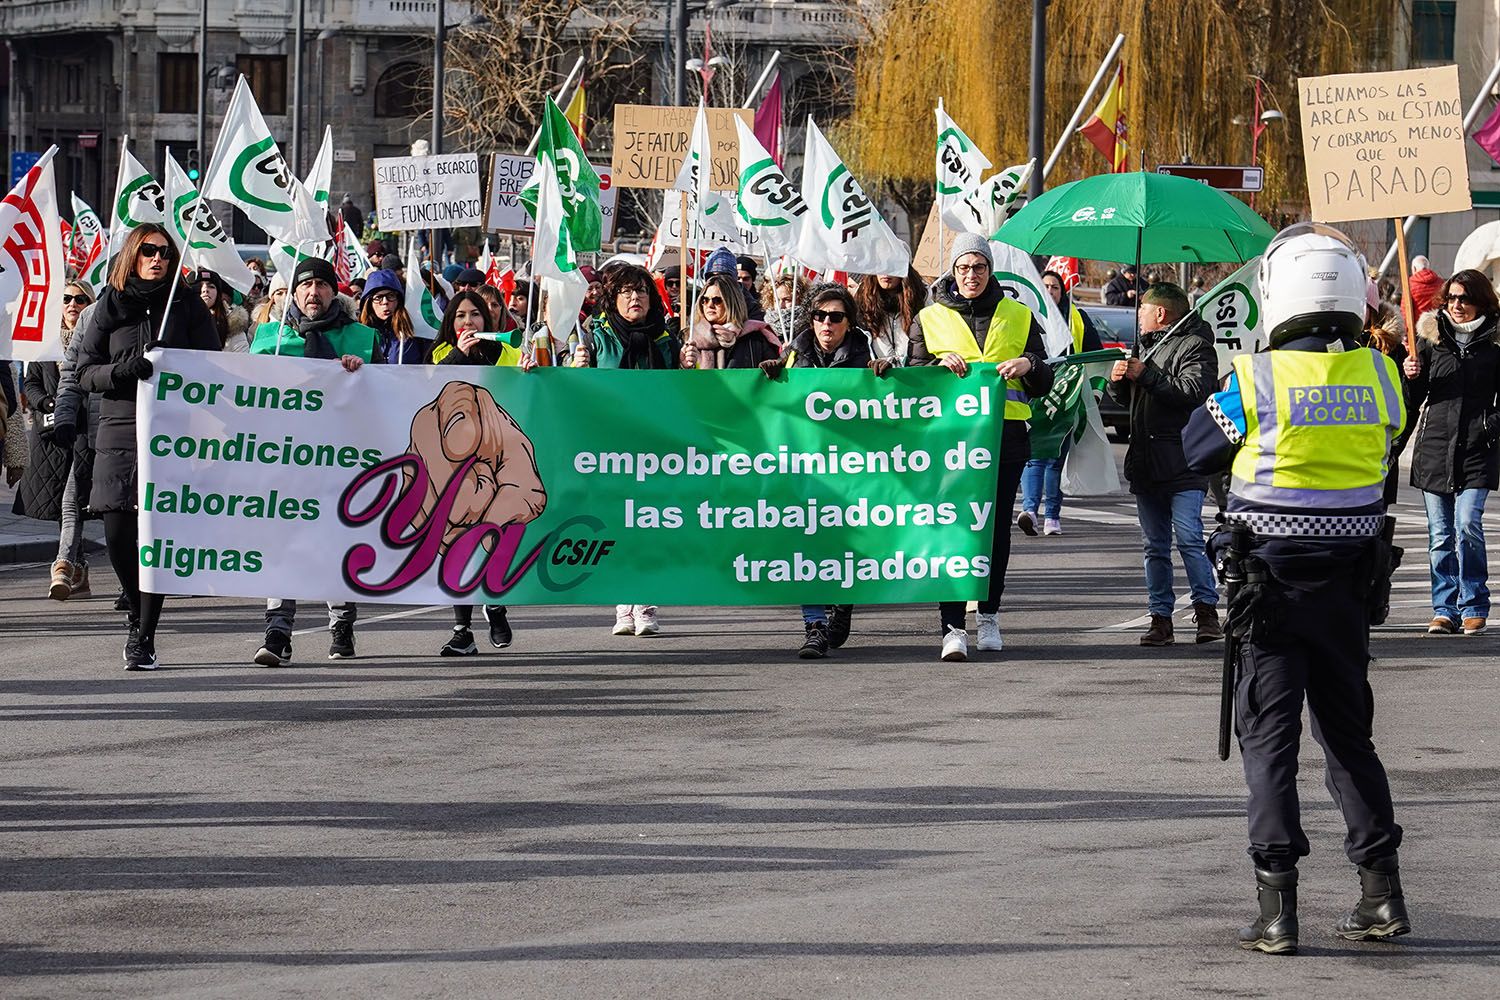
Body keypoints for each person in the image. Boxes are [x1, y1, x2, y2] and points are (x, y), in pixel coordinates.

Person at [1183, 223, 1410, 955]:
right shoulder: (1382, 377)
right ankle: (1381, 895)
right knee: (1350, 740)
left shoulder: (1254, 379)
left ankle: (1278, 910)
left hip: (1268, 589)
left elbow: (1196, 448)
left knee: (1270, 745)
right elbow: (1389, 441)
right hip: (1348, 590)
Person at [75, 225, 220, 669]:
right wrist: (122, 371)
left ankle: (145, 635)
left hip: (172, 432)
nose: (157, 258)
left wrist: (176, 366)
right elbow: (84, 371)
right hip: (119, 430)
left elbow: (213, 366)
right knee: (118, 533)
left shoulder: (186, 304)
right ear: (132, 257)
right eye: (148, 251)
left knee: (154, 535)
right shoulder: (109, 306)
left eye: (164, 252)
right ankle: (135, 607)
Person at [908, 232, 1055, 660]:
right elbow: (911, 379)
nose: (971, 275)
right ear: (952, 272)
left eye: (979, 267)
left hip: (1006, 438)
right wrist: (936, 367)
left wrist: (1029, 365)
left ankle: (989, 616)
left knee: (994, 532)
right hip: (948, 442)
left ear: (991, 270)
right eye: (963, 267)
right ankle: (952, 626)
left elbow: (1044, 378)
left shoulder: (1018, 314)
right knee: (951, 529)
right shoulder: (929, 317)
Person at [250, 257, 385, 666]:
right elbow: (247, 394)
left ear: (334, 291)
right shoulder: (269, 338)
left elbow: (388, 398)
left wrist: (362, 376)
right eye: (305, 285)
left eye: (322, 285)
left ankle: (341, 623)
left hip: (342, 460)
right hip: (284, 460)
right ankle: (278, 630)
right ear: (292, 293)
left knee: (334, 540)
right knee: (282, 540)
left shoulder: (362, 338)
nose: (314, 293)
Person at [759, 282, 870, 658]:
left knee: (845, 546)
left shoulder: (864, 358)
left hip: (851, 471)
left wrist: (885, 376)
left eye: (836, 317)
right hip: (805, 469)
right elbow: (771, 407)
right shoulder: (793, 355)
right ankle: (815, 626)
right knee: (805, 544)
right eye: (820, 316)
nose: (826, 323)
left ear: (848, 324)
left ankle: (843, 604)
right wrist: (773, 374)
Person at [1107, 283, 1221, 646]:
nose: (1136, 314)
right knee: (1154, 546)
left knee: (1188, 538)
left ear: (1161, 313)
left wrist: (1146, 375)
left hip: (1183, 459)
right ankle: (1161, 619)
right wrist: (1118, 382)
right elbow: (1133, 400)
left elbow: (1192, 392)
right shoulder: (1144, 347)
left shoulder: (1197, 347)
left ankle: (1206, 611)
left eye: (1142, 309)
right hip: (1145, 460)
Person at [573, 264, 680, 636]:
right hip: (610, 447)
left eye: (642, 291)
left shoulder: (668, 340)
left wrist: (687, 368)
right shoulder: (594, 338)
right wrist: (576, 369)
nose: (635, 298)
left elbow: (680, 396)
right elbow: (575, 395)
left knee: (649, 522)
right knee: (617, 523)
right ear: (612, 299)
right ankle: (623, 602)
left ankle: (646, 602)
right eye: (627, 292)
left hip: (654, 446)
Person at [1402, 267, 1500, 636]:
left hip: (1477, 450)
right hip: (1435, 449)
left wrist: (1488, 427)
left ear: (1481, 302)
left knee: (1467, 525)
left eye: (1466, 298)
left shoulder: (1494, 346)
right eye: (1453, 298)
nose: (1458, 305)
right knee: (1440, 535)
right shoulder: (1429, 341)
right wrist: (1410, 374)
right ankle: (1445, 609)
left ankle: (1474, 603)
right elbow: (1413, 401)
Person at [427, 291, 524, 654]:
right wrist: (460, 356)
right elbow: (432, 391)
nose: (468, 323)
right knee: (457, 542)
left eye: (475, 315)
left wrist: (532, 370)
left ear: (488, 320)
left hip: (499, 459)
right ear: (450, 324)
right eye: (460, 316)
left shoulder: (510, 354)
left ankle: (495, 604)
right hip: (456, 465)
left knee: (494, 536)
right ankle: (462, 629)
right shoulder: (441, 355)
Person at [12, 281, 97, 600]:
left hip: (85, 433)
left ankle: (61, 565)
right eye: (66, 299)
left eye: (79, 299)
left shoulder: (96, 340)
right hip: (51, 436)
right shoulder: (45, 343)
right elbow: (30, 383)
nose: (72, 304)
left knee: (72, 500)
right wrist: (50, 403)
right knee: (64, 504)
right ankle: (81, 569)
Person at [1019, 270, 1106, 537]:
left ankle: (1053, 516)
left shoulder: (1077, 318)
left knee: (1056, 458)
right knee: (1034, 456)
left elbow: (1095, 353)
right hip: (1035, 393)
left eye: (1054, 287)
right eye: (1044, 286)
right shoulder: (1025, 315)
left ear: (1062, 291)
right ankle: (1030, 511)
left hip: (1067, 395)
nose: (1049, 291)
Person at [682, 272, 780, 369]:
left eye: (717, 300)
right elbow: (680, 382)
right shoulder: (690, 337)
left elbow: (776, 376)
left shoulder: (755, 338)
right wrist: (683, 366)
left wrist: (773, 366)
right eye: (705, 300)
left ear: (732, 303)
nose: (710, 305)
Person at [854, 268, 926, 366]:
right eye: (881, 265)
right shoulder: (862, 302)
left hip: (914, 375)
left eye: (891, 265)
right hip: (877, 377)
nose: (886, 273)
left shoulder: (922, 298)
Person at [359, 270, 427, 365]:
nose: (385, 302)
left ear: (398, 300)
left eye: (390, 296)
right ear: (369, 303)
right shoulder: (360, 334)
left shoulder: (413, 331)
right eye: (378, 298)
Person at [197, 269, 251, 352]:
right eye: (199, 286)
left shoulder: (234, 328)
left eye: (211, 286)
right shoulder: (182, 322)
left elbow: (242, 361)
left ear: (219, 295)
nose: (205, 290)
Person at [761, 267, 808, 343]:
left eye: (787, 300)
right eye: (776, 300)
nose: (780, 306)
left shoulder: (808, 329)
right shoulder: (764, 329)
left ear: (801, 299)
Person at [735, 254, 765, 320]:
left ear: (752, 280)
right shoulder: (725, 299)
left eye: (746, 279)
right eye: (738, 278)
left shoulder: (761, 302)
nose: (741, 282)